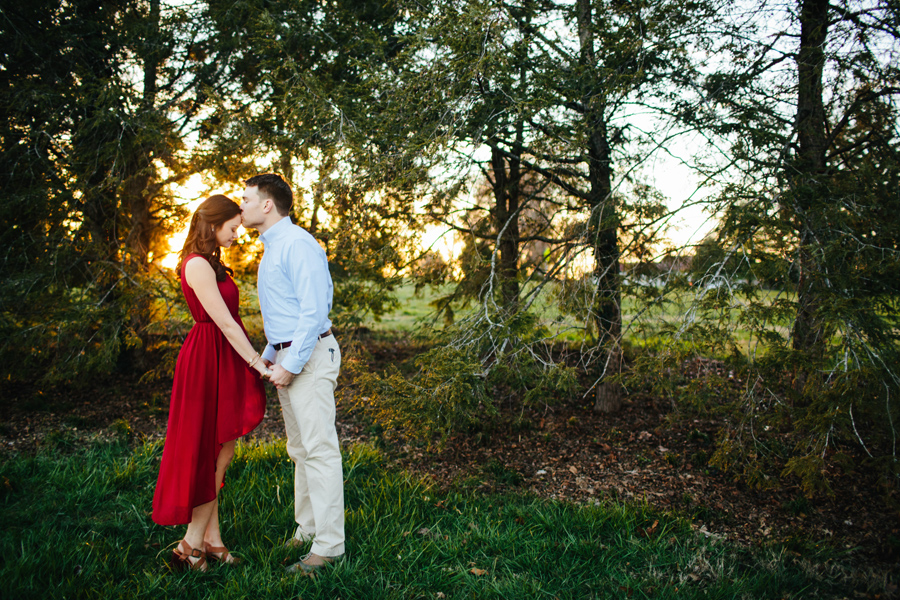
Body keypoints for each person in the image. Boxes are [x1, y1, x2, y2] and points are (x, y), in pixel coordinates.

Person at [152, 195, 270, 572]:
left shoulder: (213, 264)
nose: (237, 234)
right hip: (207, 357)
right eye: (233, 227)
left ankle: (211, 540)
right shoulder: (196, 264)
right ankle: (190, 545)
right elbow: (223, 321)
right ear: (213, 224)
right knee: (212, 452)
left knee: (222, 448)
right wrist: (257, 361)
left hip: (223, 355)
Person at [240, 173, 344, 575]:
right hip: (289, 355)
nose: (242, 206)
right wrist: (271, 356)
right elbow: (286, 314)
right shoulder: (275, 246)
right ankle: (307, 530)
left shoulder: (298, 244)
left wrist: (291, 364)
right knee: (300, 452)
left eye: (247, 199)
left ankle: (330, 547)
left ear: (268, 204)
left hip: (310, 357)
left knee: (319, 451)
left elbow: (313, 312)